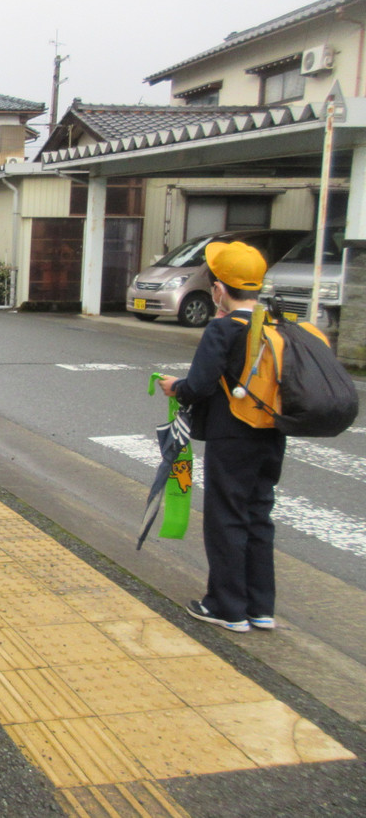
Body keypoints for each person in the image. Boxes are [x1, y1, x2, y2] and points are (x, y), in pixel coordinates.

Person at [156, 241, 283, 634]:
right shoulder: (276, 328)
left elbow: (199, 385)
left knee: (226, 518)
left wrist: (176, 386)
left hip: (233, 437)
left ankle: (226, 607)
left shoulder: (223, 328)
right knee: (258, 515)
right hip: (273, 435)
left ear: (219, 289)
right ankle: (260, 608)